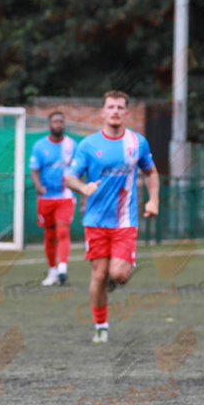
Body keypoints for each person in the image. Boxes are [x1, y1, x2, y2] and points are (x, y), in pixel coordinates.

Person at [64, 91, 159, 344]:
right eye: (110, 107)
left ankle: (119, 272)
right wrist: (83, 188)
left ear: (126, 113)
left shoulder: (138, 143)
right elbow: (70, 177)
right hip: (95, 221)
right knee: (98, 276)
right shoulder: (88, 145)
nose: (115, 111)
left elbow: (151, 173)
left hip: (124, 221)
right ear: (103, 112)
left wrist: (153, 199)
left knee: (118, 274)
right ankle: (101, 325)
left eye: (120, 107)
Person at [30, 112, 76, 286]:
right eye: (55, 121)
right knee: (49, 236)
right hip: (46, 198)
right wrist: (38, 186)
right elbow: (34, 170)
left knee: (62, 231)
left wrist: (83, 193)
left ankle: (62, 269)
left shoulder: (72, 145)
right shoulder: (40, 146)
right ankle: (52, 272)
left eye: (61, 122)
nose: (58, 124)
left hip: (65, 196)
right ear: (49, 124)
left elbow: (80, 170)